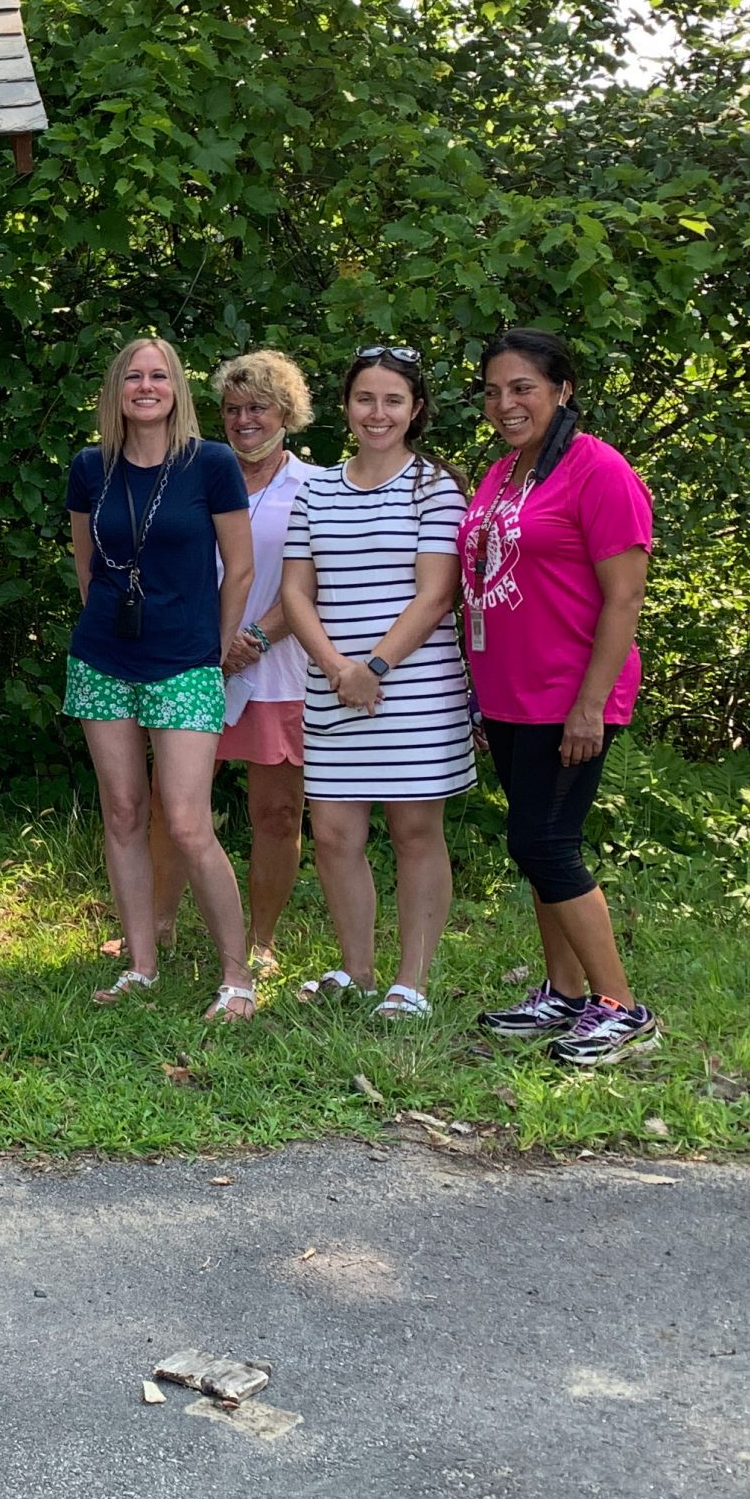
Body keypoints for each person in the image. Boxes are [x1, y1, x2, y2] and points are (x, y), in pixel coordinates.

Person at [462, 329, 660, 1065]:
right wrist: (483, 694)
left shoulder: (597, 469)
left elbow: (625, 595)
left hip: (567, 695)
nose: (505, 403)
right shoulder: (506, 471)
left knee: (544, 842)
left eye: (522, 388)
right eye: (493, 390)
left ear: (562, 390)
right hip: (510, 695)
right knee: (538, 846)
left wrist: (590, 703)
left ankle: (621, 1006)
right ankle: (564, 993)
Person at [65, 337, 259, 1020]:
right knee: (121, 812)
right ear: (115, 389)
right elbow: (85, 559)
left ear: (176, 387)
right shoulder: (92, 467)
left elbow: (239, 566)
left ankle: (237, 974)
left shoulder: (210, 464)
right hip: (101, 658)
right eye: (133, 376)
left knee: (185, 821)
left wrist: (214, 642)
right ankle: (141, 964)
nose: (146, 386)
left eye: (159, 375)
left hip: (185, 659)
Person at [279, 346, 474, 1018]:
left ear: (415, 409)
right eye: (366, 399)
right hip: (334, 688)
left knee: (416, 831)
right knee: (333, 833)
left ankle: (410, 983)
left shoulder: (435, 488)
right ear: (347, 407)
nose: (378, 412)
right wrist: (338, 668)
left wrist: (375, 668)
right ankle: (358, 971)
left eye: (393, 399)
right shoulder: (317, 489)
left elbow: (435, 593)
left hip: (414, 692)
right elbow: (296, 593)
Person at [145, 353, 319, 973]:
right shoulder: (191, 476)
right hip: (191, 662)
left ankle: (261, 941)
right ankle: (158, 926)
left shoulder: (316, 486)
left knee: (275, 810)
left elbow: (314, 580)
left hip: (278, 667)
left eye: (259, 407)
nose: (244, 420)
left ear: (287, 413)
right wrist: (210, 644)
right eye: (233, 408)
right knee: (171, 801)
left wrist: (252, 640)